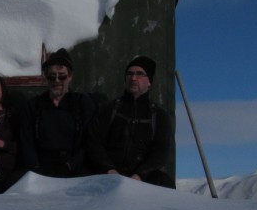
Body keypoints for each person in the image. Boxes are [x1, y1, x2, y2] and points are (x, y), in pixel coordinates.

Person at [86, 55, 175, 188]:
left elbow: (160, 153)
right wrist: (109, 170)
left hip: (143, 178)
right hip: (107, 174)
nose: (133, 78)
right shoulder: (109, 109)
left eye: (140, 74)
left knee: (165, 184)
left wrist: (139, 175)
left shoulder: (159, 116)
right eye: (129, 74)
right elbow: (93, 142)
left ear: (149, 81)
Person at [17, 48, 97, 177]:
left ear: (70, 76)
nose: (57, 81)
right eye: (52, 76)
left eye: (62, 76)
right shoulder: (34, 106)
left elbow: (91, 141)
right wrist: (36, 169)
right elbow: (27, 142)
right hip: (42, 167)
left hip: (74, 168)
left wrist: (71, 165)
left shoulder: (82, 104)